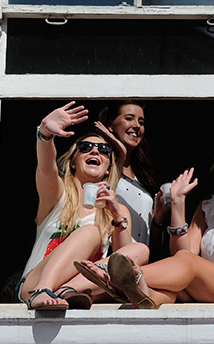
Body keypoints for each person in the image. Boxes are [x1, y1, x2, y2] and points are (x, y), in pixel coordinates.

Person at [75, 126, 214, 307]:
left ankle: (114, 276)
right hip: (200, 288)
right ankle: (145, 295)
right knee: (171, 288)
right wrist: (178, 203)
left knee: (186, 266)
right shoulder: (209, 206)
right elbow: (182, 254)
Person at [17, 101, 142, 310]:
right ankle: (44, 289)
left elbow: (121, 262)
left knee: (140, 249)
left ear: (109, 168)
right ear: (73, 161)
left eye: (103, 150)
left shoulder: (118, 210)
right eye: (86, 147)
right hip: (32, 287)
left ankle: (69, 290)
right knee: (90, 233)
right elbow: (46, 168)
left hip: (77, 290)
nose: (95, 152)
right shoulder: (58, 194)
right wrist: (45, 134)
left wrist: (116, 215)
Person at [97, 100, 169, 257]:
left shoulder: (143, 175)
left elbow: (153, 248)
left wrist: (158, 219)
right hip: (108, 263)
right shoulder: (100, 167)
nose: (137, 125)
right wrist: (119, 153)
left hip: (138, 266)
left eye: (141, 122)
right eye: (129, 118)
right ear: (110, 125)